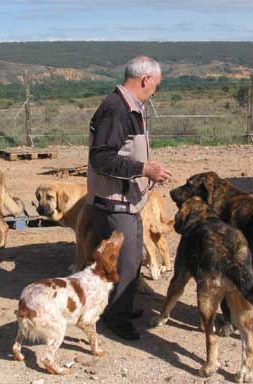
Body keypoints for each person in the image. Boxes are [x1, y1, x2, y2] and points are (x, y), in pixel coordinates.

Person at [86, 56, 171, 340]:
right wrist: (144, 168)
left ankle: (120, 307)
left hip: (126, 200)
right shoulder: (117, 110)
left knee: (132, 258)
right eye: (156, 85)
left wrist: (145, 170)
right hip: (114, 201)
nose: (156, 91)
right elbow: (102, 159)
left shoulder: (130, 107)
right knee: (124, 260)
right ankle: (115, 317)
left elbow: (124, 152)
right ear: (146, 80)